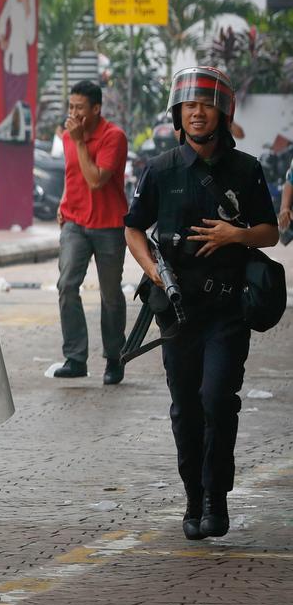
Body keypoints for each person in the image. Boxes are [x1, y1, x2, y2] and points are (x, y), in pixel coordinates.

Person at [124, 66, 278, 540]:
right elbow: (133, 227)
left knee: (218, 400)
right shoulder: (161, 169)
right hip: (177, 312)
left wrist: (236, 235)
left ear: (223, 113)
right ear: (178, 113)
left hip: (228, 309)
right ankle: (193, 496)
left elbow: (270, 232)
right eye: (189, 105)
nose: (197, 113)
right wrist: (153, 270)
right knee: (185, 407)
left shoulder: (246, 170)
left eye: (206, 105)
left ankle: (216, 498)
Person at [53, 80, 128, 385]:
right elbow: (73, 174)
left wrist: (80, 142)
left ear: (96, 109)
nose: (73, 113)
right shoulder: (68, 136)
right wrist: (63, 202)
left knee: (110, 295)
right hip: (74, 223)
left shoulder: (114, 137)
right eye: (70, 107)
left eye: (79, 108)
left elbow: (96, 180)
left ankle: (115, 357)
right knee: (66, 285)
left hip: (109, 225)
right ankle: (75, 358)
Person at [0, 0, 36, 112]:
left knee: (19, 110)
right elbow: (2, 18)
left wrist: (27, 9)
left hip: (23, 63)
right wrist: (2, 38)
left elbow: (31, 37)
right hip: (10, 59)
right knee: (10, 107)